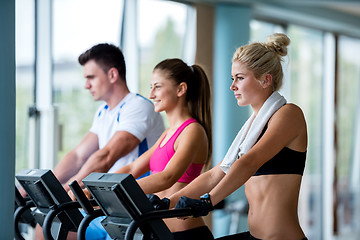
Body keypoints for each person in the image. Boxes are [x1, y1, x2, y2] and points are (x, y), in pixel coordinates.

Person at [168, 33, 309, 240]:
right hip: (254, 236)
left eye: (240, 78)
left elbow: (249, 162)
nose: (232, 86)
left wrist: (208, 201)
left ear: (265, 80)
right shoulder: (252, 127)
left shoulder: (289, 114)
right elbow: (218, 173)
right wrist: (169, 201)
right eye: (232, 78)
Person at [36, 43, 164, 239]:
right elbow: (79, 155)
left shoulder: (138, 106)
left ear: (112, 75)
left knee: (55, 226)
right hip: (107, 204)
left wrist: (68, 188)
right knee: (48, 225)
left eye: (91, 77)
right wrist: (48, 186)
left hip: (132, 207)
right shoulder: (104, 112)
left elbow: (106, 157)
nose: (86, 85)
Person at [82, 58, 214, 240]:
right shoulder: (169, 132)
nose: (151, 94)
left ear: (180, 89)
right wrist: (94, 187)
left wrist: (112, 192)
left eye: (157, 87)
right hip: (158, 232)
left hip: (185, 234)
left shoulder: (192, 131)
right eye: (151, 87)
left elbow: (167, 177)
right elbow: (132, 168)